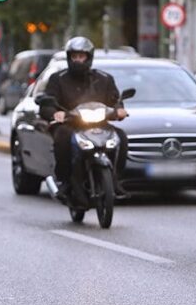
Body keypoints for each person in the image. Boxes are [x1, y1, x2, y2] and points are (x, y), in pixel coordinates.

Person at [38, 36, 128, 200]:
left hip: (99, 123)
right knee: (62, 138)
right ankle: (65, 181)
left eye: (82, 56)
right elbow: (46, 102)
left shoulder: (104, 79)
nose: (78, 60)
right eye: (75, 56)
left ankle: (116, 180)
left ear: (89, 57)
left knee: (121, 136)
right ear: (69, 57)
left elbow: (115, 100)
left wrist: (120, 110)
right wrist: (54, 113)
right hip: (70, 124)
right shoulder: (58, 79)